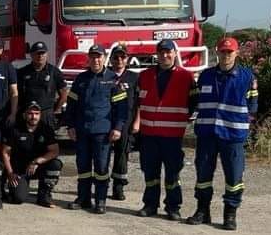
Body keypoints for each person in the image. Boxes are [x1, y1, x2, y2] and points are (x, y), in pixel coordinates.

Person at [187, 36, 258, 230]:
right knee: (203, 175)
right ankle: (202, 211)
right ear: (216, 52)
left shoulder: (247, 77)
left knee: (234, 178)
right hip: (207, 134)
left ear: (236, 53)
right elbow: (194, 102)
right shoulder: (206, 76)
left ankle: (230, 214)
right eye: (223, 51)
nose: (226, 55)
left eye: (230, 52)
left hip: (233, 136)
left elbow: (252, 107)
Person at [131, 40, 195, 219]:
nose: (164, 55)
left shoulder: (186, 77)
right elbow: (137, 103)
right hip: (149, 135)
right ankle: (150, 204)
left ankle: (173, 207)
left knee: (172, 174)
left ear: (175, 53)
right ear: (156, 54)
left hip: (173, 136)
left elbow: (193, 103)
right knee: (150, 172)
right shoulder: (144, 76)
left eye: (168, 52)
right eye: (161, 52)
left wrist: (182, 118)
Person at [63, 44, 129, 214]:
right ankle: (83, 198)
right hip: (82, 130)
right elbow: (71, 105)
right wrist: (70, 125)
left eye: (98, 56)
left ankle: (100, 200)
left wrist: (118, 128)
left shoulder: (113, 79)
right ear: (88, 58)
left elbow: (121, 108)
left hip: (103, 132)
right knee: (83, 167)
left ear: (104, 58)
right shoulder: (81, 79)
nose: (95, 60)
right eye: (92, 56)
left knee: (101, 168)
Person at [1, 102, 61, 207]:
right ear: (25, 114)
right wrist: (10, 173)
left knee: (55, 164)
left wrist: (36, 161)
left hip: (38, 167)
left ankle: (44, 196)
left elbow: (54, 151)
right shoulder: (15, 129)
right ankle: (15, 190)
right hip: (20, 169)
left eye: (36, 113)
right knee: (18, 198)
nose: (33, 116)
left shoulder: (46, 129)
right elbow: (5, 152)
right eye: (30, 113)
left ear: (40, 115)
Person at [106, 45, 138, 201]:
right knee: (103, 154)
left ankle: (118, 187)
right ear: (110, 59)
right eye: (116, 57)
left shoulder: (134, 78)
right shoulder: (105, 75)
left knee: (122, 154)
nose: (119, 60)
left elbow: (139, 102)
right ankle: (102, 185)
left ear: (127, 59)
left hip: (126, 121)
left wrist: (137, 122)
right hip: (105, 121)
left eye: (122, 57)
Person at [16, 41, 66, 128]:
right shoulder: (22, 72)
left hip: (46, 115)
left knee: (47, 141)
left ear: (47, 54)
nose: (40, 56)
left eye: (43, 53)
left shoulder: (54, 72)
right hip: (27, 114)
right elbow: (15, 93)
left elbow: (64, 95)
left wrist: (54, 110)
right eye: (37, 53)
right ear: (31, 55)